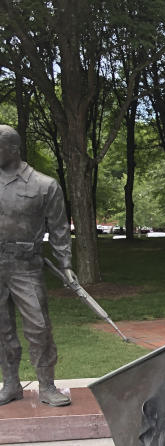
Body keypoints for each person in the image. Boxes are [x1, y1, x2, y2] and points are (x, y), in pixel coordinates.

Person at [0, 124, 74, 407]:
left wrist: (66, 264)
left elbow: (59, 230)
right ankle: (10, 384)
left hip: (26, 267)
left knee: (39, 327)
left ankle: (47, 386)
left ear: (13, 149)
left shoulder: (44, 185)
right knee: (2, 329)